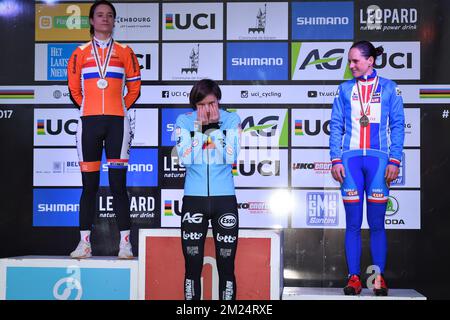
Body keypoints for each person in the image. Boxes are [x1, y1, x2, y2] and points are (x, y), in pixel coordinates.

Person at [329, 41, 405, 296]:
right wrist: (335, 159)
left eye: (355, 61)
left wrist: (395, 160)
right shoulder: (344, 89)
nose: (350, 66)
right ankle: (353, 277)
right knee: (352, 223)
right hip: (350, 162)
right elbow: (336, 126)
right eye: (349, 61)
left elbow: (397, 126)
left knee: (376, 223)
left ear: (370, 61)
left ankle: (377, 278)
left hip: (379, 162)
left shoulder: (389, 88)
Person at [67, 0, 141, 259]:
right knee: (89, 186)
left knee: (118, 185)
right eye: (100, 15)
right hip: (88, 123)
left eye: (110, 15)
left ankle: (125, 244)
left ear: (114, 21)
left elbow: (134, 88)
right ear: (91, 20)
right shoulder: (79, 53)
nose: (105, 19)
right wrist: (91, 108)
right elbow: (74, 91)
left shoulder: (125, 51)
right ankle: (84, 243)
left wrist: (118, 107)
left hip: (117, 123)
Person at [174, 79, 241, 300]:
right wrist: (202, 130)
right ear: (195, 105)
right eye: (201, 105)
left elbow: (231, 156)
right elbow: (185, 159)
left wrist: (214, 129)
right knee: (192, 266)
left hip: (225, 200)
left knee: (226, 266)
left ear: (218, 101)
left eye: (211, 103)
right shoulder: (184, 121)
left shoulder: (232, 119)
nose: (207, 109)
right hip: (194, 200)